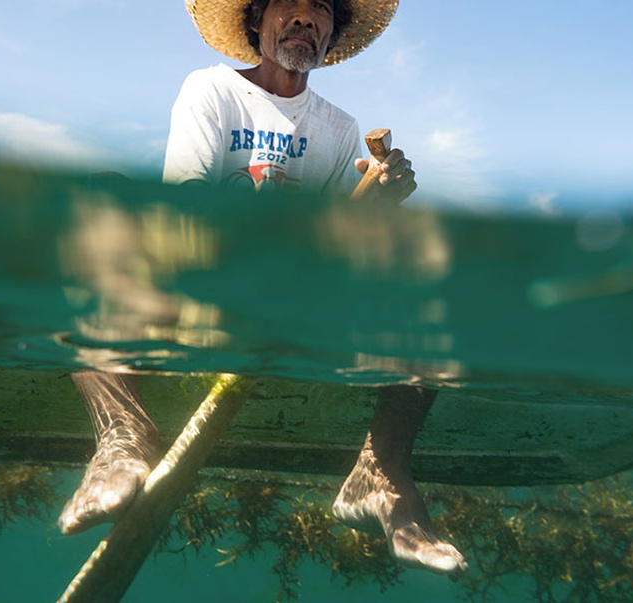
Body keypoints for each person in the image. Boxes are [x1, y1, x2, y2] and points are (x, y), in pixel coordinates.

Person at [59, 0, 466, 575]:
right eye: (289, 4)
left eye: (320, 8)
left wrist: (371, 206)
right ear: (256, 20)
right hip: (197, 292)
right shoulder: (211, 91)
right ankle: (123, 440)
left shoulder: (341, 128)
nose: (305, 17)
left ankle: (380, 475)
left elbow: (330, 258)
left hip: (295, 310)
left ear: (333, 30)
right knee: (96, 214)